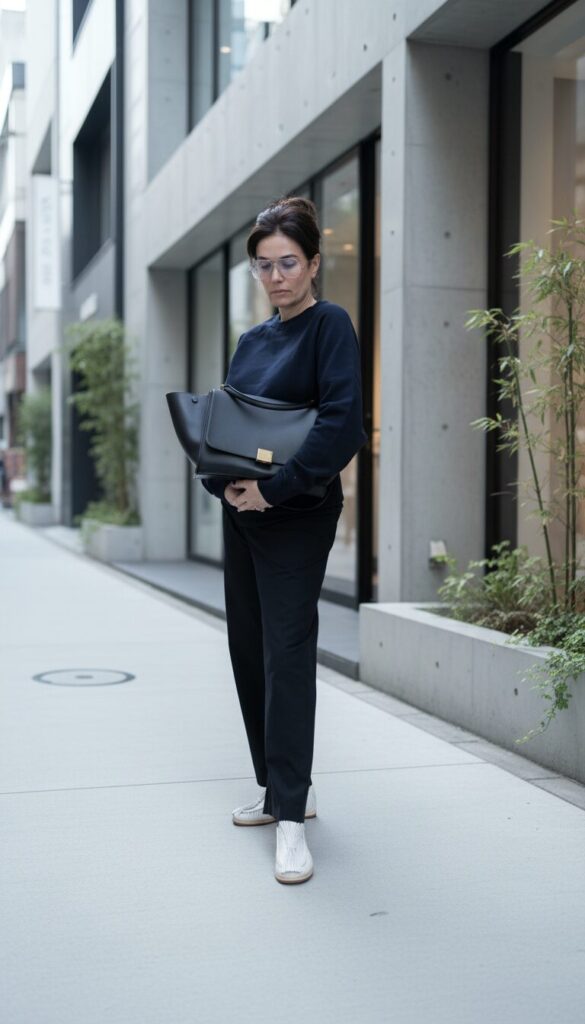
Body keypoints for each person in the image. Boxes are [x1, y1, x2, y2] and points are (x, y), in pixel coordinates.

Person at [201, 196, 368, 884]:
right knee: (248, 648)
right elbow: (231, 428)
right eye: (263, 266)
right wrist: (228, 488)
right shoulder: (251, 342)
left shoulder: (329, 325)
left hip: (297, 514)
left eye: (287, 263)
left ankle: (293, 821)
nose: (275, 276)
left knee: (288, 655)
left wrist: (273, 488)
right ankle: (276, 791)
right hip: (244, 514)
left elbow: (341, 427)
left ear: (312, 264)